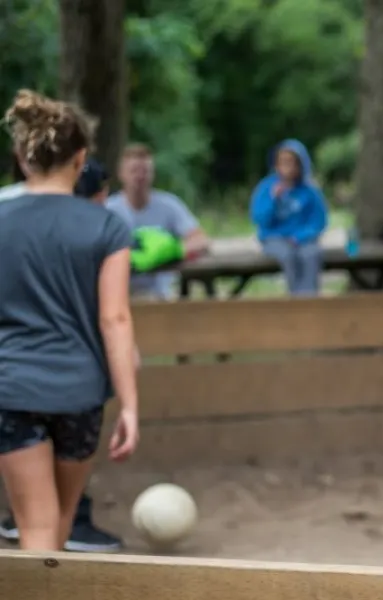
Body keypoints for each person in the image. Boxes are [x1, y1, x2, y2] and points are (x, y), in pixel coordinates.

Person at [0, 90, 139, 552]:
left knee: (35, 525)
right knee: (59, 520)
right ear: (81, 159)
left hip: (12, 388)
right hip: (80, 392)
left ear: (22, 157)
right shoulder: (107, 227)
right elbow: (115, 319)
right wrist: (130, 405)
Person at [106, 144, 212, 300]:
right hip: (119, 296)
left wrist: (170, 251)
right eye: (134, 171)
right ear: (121, 174)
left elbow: (201, 240)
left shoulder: (169, 204)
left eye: (145, 171)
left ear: (153, 174)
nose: (140, 176)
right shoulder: (108, 209)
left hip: (161, 294)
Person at [250, 139, 329, 296]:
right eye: (283, 162)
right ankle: (295, 300)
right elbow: (260, 220)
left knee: (311, 254)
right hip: (274, 239)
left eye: (292, 162)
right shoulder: (266, 188)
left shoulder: (310, 190)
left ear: (301, 164)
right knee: (287, 255)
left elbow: (319, 221)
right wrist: (273, 200)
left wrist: (299, 237)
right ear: (276, 164)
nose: (287, 167)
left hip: (304, 240)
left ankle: (310, 300)